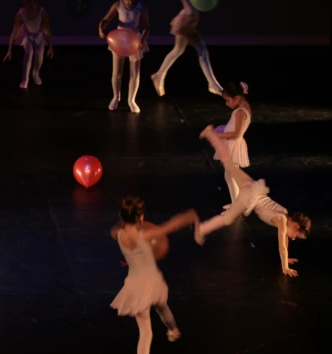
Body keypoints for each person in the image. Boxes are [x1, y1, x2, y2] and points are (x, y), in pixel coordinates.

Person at [196, 126, 311, 277]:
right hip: (250, 196)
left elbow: (285, 242)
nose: (294, 238)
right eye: (297, 235)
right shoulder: (282, 219)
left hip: (254, 188)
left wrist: (286, 258)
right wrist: (285, 268)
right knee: (230, 218)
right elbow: (282, 247)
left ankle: (211, 134)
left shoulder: (284, 214)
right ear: (295, 225)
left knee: (229, 165)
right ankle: (202, 229)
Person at [111, 196, 198, 353]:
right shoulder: (146, 235)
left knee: (145, 332)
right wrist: (189, 216)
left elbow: (117, 227)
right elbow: (171, 225)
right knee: (162, 308)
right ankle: (173, 330)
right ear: (141, 217)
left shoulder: (117, 234)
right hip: (152, 282)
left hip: (135, 286)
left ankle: (173, 330)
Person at [151, 0, 235, 97]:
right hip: (186, 21)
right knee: (201, 51)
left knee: (178, 50)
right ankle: (213, 84)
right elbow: (190, 1)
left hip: (189, 20)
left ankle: (159, 75)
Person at [98, 0, 150, 113]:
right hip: (119, 41)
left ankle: (131, 100)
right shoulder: (117, 5)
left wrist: (142, 40)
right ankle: (116, 97)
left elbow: (146, 27)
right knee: (117, 72)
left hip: (134, 42)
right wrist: (101, 28)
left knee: (134, 73)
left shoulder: (141, 7)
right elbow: (106, 19)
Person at [3, 0, 54, 88]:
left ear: (38, 3)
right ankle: (25, 78)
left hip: (39, 35)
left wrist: (50, 47)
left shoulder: (42, 12)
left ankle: (35, 73)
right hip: (27, 35)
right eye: (29, 1)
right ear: (24, 2)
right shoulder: (20, 14)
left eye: (35, 1)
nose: (32, 4)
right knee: (28, 54)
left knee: (39, 57)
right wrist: (9, 50)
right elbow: (15, 31)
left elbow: (48, 29)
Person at [213, 82, 252, 205]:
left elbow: (237, 134)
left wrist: (219, 135)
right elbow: (234, 127)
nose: (227, 104)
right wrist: (223, 128)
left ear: (237, 98)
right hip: (233, 144)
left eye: (228, 100)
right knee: (230, 176)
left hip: (234, 146)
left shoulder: (240, 112)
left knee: (231, 176)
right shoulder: (244, 106)